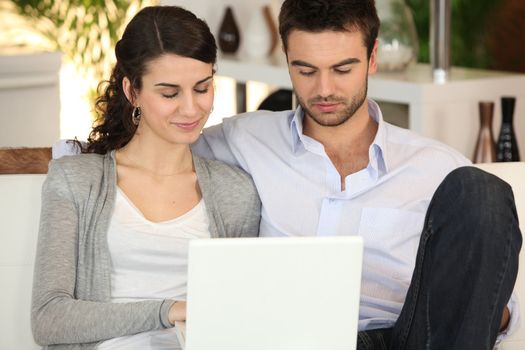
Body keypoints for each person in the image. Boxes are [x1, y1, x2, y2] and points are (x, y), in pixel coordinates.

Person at [192, 0, 522, 349]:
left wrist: (458, 291)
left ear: (372, 57)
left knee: (482, 191)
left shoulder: (438, 169)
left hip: (407, 338)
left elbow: (498, 309)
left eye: (342, 69)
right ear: (287, 59)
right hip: (290, 339)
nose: (324, 90)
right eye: (305, 71)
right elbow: (153, 154)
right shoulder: (245, 138)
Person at [31, 6, 260, 350]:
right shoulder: (76, 181)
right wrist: (168, 311)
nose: (190, 109)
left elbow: (247, 311)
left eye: (202, 88)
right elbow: (49, 319)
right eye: (169, 93)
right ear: (132, 91)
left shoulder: (236, 192)